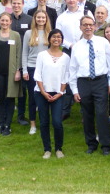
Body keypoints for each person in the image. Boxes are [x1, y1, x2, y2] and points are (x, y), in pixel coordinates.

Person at [69, 15, 110, 156]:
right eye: (85, 25)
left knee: (102, 113)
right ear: (81, 27)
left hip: (100, 81)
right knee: (87, 114)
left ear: (95, 26)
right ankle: (91, 144)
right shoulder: (76, 47)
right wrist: (74, 90)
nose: (88, 27)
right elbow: (72, 69)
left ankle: (105, 145)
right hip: (83, 82)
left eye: (90, 24)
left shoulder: (103, 42)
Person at [55, 0, 94, 120]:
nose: (71, 0)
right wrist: (71, 45)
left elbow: (92, 28)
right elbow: (59, 36)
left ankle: (85, 111)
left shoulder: (86, 13)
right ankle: (65, 110)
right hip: (69, 50)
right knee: (68, 78)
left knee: (84, 79)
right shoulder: (61, 17)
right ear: (65, 0)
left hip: (85, 49)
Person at [34, 29, 70, 159]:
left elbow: (66, 76)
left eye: (59, 37)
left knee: (57, 122)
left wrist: (60, 92)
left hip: (58, 94)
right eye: (54, 37)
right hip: (41, 93)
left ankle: (59, 148)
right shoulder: (42, 55)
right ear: (49, 39)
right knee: (44, 122)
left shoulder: (66, 57)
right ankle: (47, 149)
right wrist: (43, 92)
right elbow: (37, 74)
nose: (57, 39)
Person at [0, 13, 22, 136]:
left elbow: (19, 54)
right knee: (0, 99)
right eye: (2, 20)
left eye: (7, 20)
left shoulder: (16, 35)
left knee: (10, 98)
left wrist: (18, 70)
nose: (4, 23)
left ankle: (8, 126)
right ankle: (0, 124)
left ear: (10, 22)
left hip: (12, 73)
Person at [22, 10, 51, 135]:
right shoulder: (29, 33)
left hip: (46, 69)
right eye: (38, 17)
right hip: (32, 68)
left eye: (43, 17)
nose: (40, 20)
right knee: (33, 98)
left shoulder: (50, 33)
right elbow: (24, 53)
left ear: (46, 19)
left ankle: (46, 122)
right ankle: (33, 124)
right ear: (35, 19)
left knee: (47, 96)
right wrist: (24, 70)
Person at [9, 0, 33, 126]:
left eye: (19, 3)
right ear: (11, 4)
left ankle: (22, 116)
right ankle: (7, 116)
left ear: (23, 4)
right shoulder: (8, 20)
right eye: (14, 3)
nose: (16, 6)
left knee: (23, 90)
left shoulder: (29, 19)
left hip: (25, 58)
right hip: (10, 58)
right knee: (11, 89)